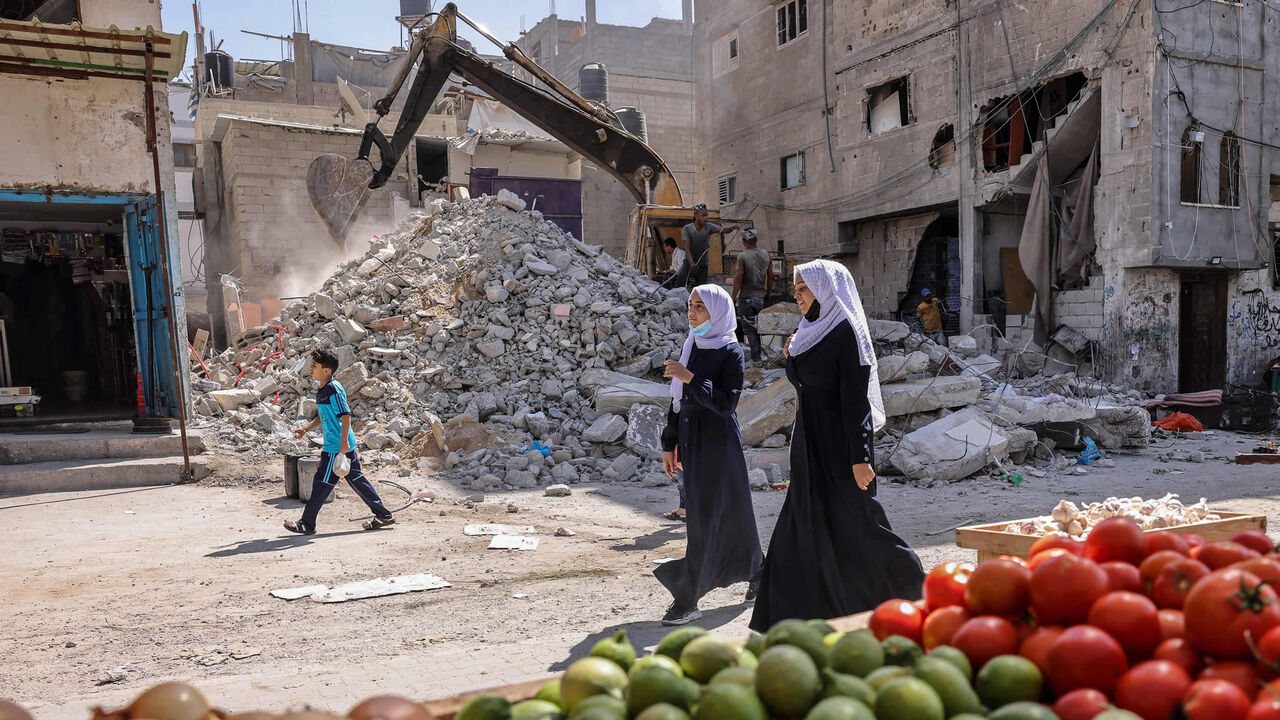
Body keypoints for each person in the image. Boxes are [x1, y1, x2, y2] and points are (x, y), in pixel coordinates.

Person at [749, 260, 924, 631]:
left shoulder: (846, 333)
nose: (795, 296)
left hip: (840, 448)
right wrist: (792, 355)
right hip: (808, 443)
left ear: (825, 288)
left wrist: (860, 458)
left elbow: (854, 401)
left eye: (802, 288)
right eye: (794, 289)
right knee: (803, 523)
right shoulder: (810, 330)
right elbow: (804, 384)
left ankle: (919, 593)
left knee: (860, 524)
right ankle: (788, 618)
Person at [658, 284, 764, 625]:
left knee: (712, 517)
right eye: (690, 305)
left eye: (700, 307)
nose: (692, 312)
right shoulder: (692, 345)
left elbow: (725, 404)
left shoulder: (731, 351)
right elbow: (678, 404)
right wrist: (668, 443)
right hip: (691, 441)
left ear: (717, 312)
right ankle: (758, 571)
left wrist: (690, 377)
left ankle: (688, 597)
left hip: (718, 443)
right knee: (725, 513)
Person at [284, 348, 396, 535]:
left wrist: (343, 443)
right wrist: (305, 429)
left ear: (327, 370)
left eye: (315, 366)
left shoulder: (333, 389)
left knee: (321, 483)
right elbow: (323, 416)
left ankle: (307, 523)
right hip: (341, 445)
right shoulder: (322, 389)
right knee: (357, 480)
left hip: (337, 447)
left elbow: (345, 415)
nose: (311, 368)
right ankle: (383, 515)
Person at [731, 229, 773, 364]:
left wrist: (732, 297)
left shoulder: (743, 256)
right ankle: (758, 356)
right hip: (759, 298)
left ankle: (756, 359)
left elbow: (739, 278)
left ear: (744, 241)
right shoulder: (766, 255)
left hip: (746, 298)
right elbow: (771, 276)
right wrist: (768, 293)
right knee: (756, 329)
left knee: (749, 330)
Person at [679, 204, 721, 288]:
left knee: (702, 289)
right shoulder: (687, 229)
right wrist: (691, 263)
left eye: (706, 215)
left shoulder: (708, 226)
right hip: (688, 264)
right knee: (680, 283)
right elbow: (686, 248)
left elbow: (722, 230)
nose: (706, 218)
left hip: (702, 266)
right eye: (703, 215)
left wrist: (732, 228)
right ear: (696, 215)